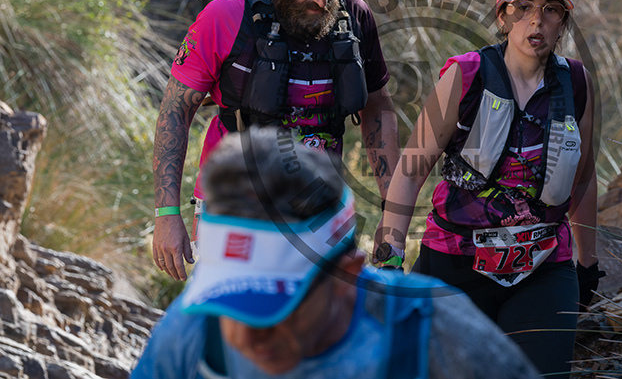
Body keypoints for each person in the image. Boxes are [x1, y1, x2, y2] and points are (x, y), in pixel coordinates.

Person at [133, 126, 541, 379]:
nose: (247, 335)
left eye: (275, 308)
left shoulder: (433, 331)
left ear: (347, 275)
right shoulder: (192, 332)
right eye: (232, 301)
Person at [373, 0, 605, 376]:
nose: (537, 21)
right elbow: (411, 171)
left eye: (551, 10)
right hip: (455, 261)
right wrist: (389, 257)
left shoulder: (576, 83)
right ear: (503, 15)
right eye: (524, 7)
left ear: (563, 22)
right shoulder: (466, 76)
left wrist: (588, 263)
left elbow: (583, 179)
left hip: (543, 263)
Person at [152, 0, 399, 280]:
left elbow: (377, 108)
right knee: (237, 315)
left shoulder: (355, 17)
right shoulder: (227, 16)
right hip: (234, 209)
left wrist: (393, 214)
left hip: (320, 212)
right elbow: (175, 111)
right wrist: (167, 214)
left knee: (320, 318)